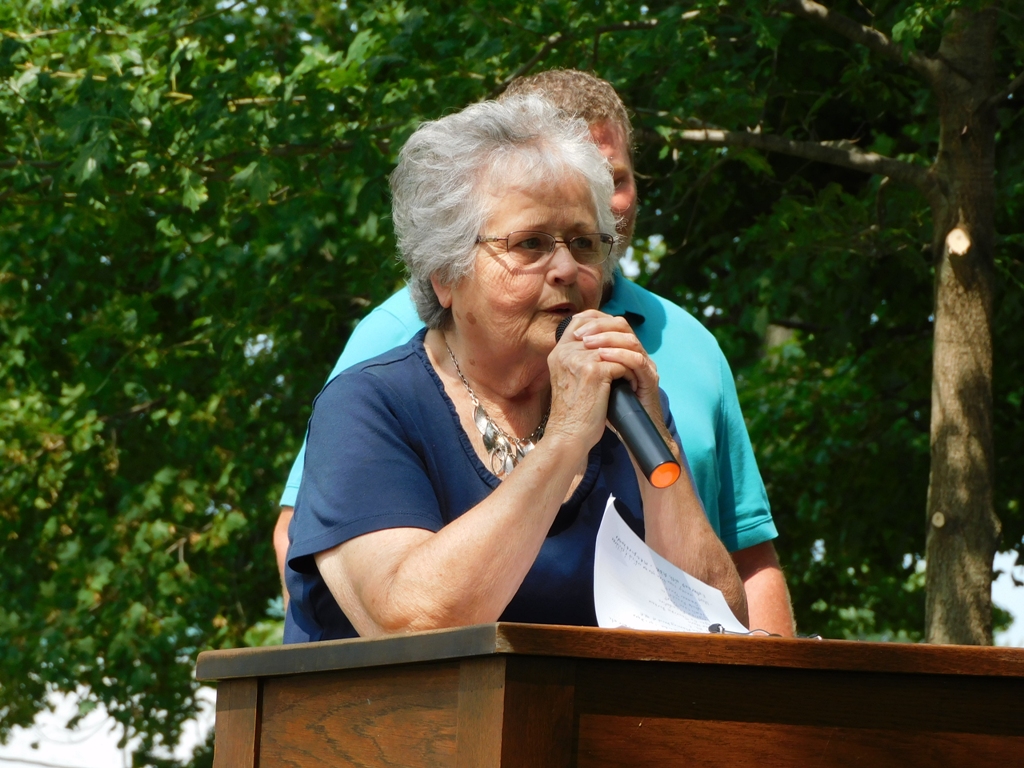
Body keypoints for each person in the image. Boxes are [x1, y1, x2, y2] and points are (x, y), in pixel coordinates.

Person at [276, 70, 795, 636]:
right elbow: (413, 621)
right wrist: (566, 440)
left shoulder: (627, 400)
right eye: (530, 244)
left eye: (584, 243)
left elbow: (715, 623)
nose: (567, 269)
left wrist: (659, 443)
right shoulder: (368, 407)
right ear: (445, 273)